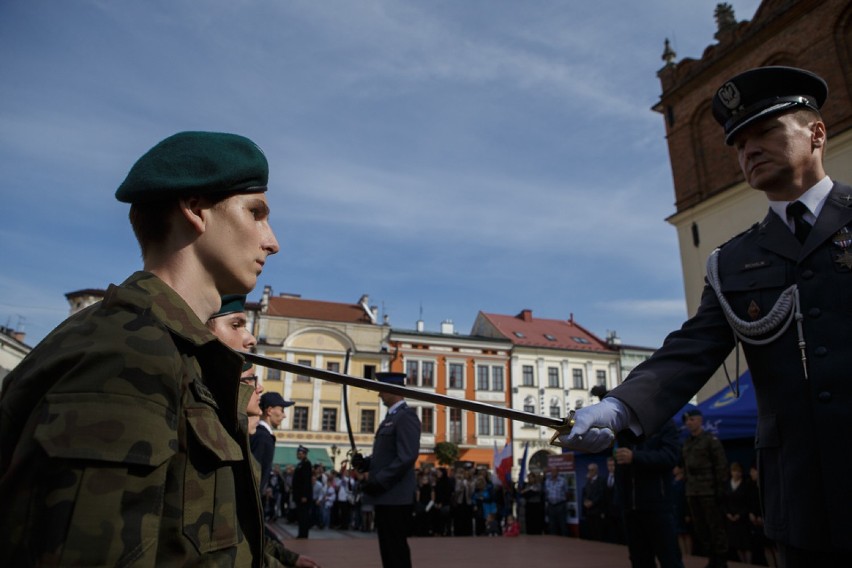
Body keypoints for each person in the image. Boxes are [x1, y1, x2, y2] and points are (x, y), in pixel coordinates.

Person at [561, 66, 850, 566]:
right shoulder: (733, 260)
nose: (749, 150)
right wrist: (619, 408)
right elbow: (693, 349)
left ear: (816, 134)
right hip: (804, 499)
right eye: (739, 142)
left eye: (765, 132)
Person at [0, 131, 285, 566]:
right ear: (195, 210)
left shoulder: (181, 351)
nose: (272, 241)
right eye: (255, 212)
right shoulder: (127, 353)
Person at [353, 372, 420, 568]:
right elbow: (387, 455)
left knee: (395, 550)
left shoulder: (406, 417)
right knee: (388, 550)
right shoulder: (391, 418)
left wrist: (380, 480)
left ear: (393, 390)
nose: (379, 394)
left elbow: (406, 456)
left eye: (382, 389)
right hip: (387, 496)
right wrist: (366, 463)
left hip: (395, 496)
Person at [614, 419, 685, 568]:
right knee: (639, 560)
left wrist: (635, 457)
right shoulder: (624, 427)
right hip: (631, 508)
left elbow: (670, 456)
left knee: (670, 559)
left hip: (658, 505)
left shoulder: (664, 422)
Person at [681, 409, 729, 567]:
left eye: (692, 419)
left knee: (715, 527)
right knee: (701, 528)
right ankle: (711, 558)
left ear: (700, 420)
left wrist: (720, 490)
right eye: (687, 420)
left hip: (709, 491)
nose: (689, 423)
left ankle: (721, 561)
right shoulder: (687, 442)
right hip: (693, 492)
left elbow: (721, 465)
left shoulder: (710, 440)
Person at [251, 392, 295, 497]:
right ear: (270, 411)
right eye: (282, 410)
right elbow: (254, 474)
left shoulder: (260, 434)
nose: (284, 415)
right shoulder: (263, 437)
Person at [723, 462, 752, 564]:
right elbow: (724, 501)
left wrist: (740, 514)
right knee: (736, 544)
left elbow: (748, 502)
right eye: (734, 471)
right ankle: (742, 563)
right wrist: (727, 513)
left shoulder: (746, 484)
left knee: (746, 544)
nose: (736, 473)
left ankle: (748, 564)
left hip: (742, 519)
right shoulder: (726, 484)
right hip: (730, 518)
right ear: (731, 472)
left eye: (738, 471)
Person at [292, 445, 314, 539]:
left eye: (300, 453)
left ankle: (304, 534)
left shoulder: (306, 464)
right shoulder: (300, 464)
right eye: (298, 453)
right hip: (299, 494)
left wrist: (305, 495)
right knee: (300, 515)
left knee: (304, 515)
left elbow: (306, 481)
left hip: (303, 495)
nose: (298, 455)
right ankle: (301, 533)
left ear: (304, 454)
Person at [581, 463, 606, 541]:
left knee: (598, 532)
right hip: (588, 511)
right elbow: (584, 493)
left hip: (597, 510)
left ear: (596, 471)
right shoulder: (587, 481)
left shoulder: (601, 480)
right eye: (589, 470)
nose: (590, 472)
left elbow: (601, 494)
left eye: (592, 470)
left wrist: (592, 503)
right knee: (590, 531)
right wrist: (585, 501)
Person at [544, 466, 570, 536]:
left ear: (558, 472)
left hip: (560, 505)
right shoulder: (547, 481)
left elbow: (567, 493)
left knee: (562, 525)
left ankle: (565, 541)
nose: (553, 473)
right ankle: (554, 542)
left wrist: (563, 501)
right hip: (551, 505)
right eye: (552, 471)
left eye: (555, 471)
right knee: (552, 525)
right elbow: (546, 492)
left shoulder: (563, 480)